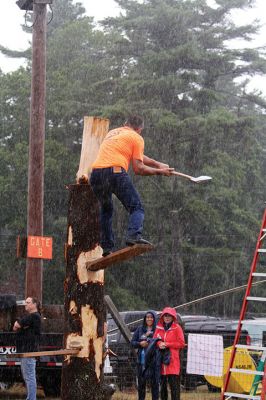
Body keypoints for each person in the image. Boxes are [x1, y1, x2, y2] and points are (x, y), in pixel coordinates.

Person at [90, 115, 174, 256]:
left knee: (106, 209)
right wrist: (160, 172)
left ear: (125, 123)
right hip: (115, 173)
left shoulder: (113, 133)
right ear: (139, 129)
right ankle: (133, 236)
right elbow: (138, 168)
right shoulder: (136, 137)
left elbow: (137, 154)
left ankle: (106, 247)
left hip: (96, 175)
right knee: (136, 208)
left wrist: (157, 163)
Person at [153, 307, 185, 400]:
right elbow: (155, 340)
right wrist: (159, 344)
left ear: (173, 317)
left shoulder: (177, 328)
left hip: (172, 361)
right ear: (162, 317)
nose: (167, 317)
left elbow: (181, 343)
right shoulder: (159, 328)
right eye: (165, 316)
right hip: (161, 361)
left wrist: (167, 344)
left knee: (174, 387)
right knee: (162, 388)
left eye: (169, 316)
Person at [13, 297, 41, 400]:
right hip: (25, 352)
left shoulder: (34, 317)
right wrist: (21, 326)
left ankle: (31, 398)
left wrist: (20, 326)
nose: (26, 304)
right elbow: (15, 326)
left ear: (34, 305)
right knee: (28, 377)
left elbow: (17, 324)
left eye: (28, 302)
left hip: (29, 352)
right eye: (25, 302)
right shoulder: (30, 317)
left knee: (29, 377)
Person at [131, 310, 160, 400]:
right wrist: (140, 344)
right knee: (141, 384)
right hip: (142, 360)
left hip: (154, 360)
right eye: (147, 317)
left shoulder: (158, 329)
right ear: (145, 319)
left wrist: (151, 342)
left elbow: (161, 341)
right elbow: (132, 342)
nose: (149, 319)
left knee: (155, 384)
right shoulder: (140, 329)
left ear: (154, 318)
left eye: (151, 317)